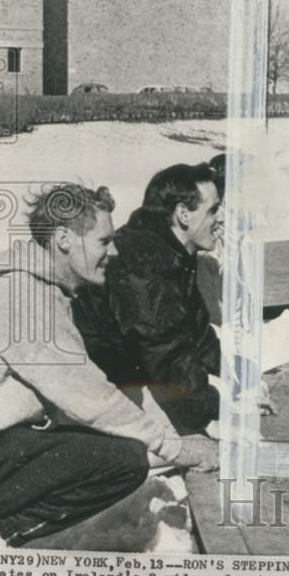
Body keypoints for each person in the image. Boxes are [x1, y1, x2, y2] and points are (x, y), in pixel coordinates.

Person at [0, 183, 217, 548]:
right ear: (64, 239)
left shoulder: (45, 291)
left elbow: (93, 388)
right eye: (105, 241)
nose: (115, 251)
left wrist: (168, 435)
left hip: (3, 447)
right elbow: (89, 396)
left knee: (119, 446)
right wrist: (176, 448)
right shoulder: (21, 298)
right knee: (123, 461)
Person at [72, 162, 224, 434]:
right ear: (183, 215)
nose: (221, 218)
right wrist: (219, 405)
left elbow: (197, 332)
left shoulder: (174, 251)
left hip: (141, 382)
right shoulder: (142, 262)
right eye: (213, 209)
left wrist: (239, 378)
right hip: (105, 393)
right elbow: (166, 352)